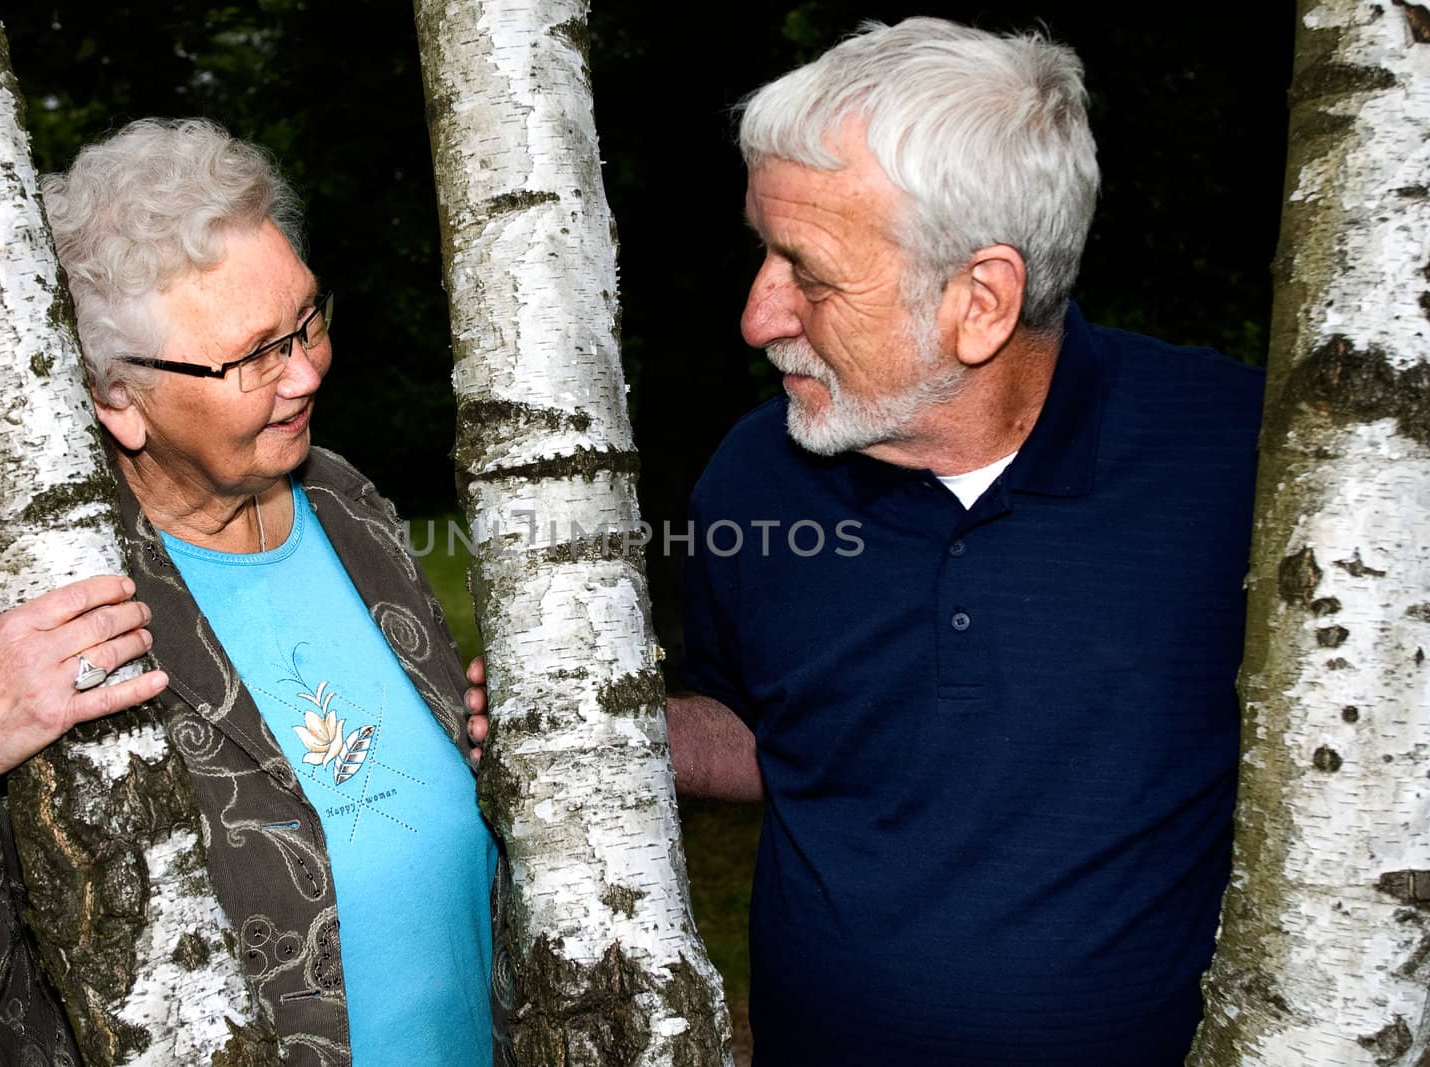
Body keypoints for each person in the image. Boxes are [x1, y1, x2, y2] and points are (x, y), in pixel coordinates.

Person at [473, 16, 1263, 1066]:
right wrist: (607, 728)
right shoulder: (755, 477)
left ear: (979, 302)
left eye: (810, 273)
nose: (759, 315)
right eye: (763, 250)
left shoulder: (1245, 467)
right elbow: (768, 729)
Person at [0, 119, 501, 1067]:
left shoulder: (345, 501)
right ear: (114, 396)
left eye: (307, 320)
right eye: (251, 356)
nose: (308, 371)